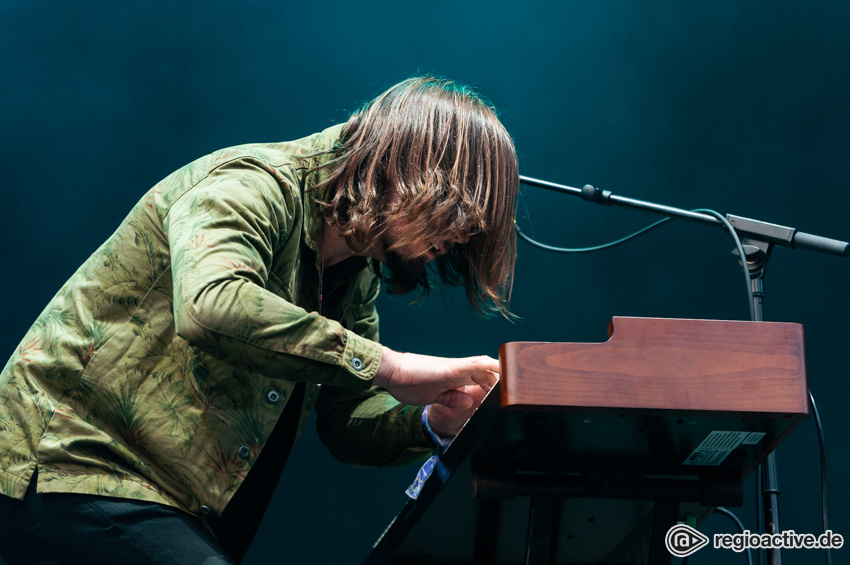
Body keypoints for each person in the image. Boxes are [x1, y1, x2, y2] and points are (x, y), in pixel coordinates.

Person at [0, 76, 519, 564]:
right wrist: (394, 366)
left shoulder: (357, 271)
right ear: (412, 170)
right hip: (69, 471)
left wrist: (428, 422)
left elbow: (346, 419)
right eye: (461, 213)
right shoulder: (254, 183)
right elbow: (212, 303)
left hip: (161, 508)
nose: (465, 236)